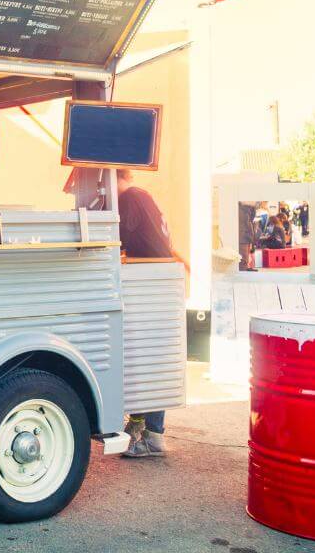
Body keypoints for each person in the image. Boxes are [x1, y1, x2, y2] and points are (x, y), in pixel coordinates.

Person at [116, 168, 188, 458]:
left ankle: (154, 436)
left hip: (152, 282)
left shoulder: (130, 198)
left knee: (148, 356)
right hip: (159, 279)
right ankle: (138, 424)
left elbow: (117, 239)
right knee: (145, 355)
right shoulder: (142, 195)